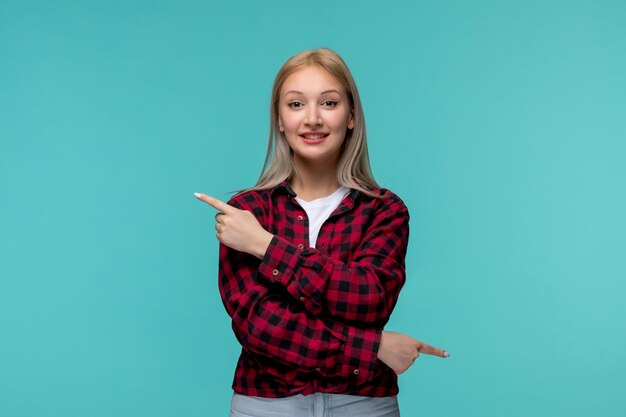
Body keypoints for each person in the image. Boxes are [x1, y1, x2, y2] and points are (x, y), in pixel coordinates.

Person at [194, 47, 449, 417]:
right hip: (267, 406)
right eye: (296, 105)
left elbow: (369, 297)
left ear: (351, 116)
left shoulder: (384, 209)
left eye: (328, 103)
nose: (312, 119)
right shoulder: (248, 212)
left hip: (364, 405)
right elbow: (260, 327)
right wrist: (372, 347)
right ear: (279, 119)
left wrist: (266, 246)